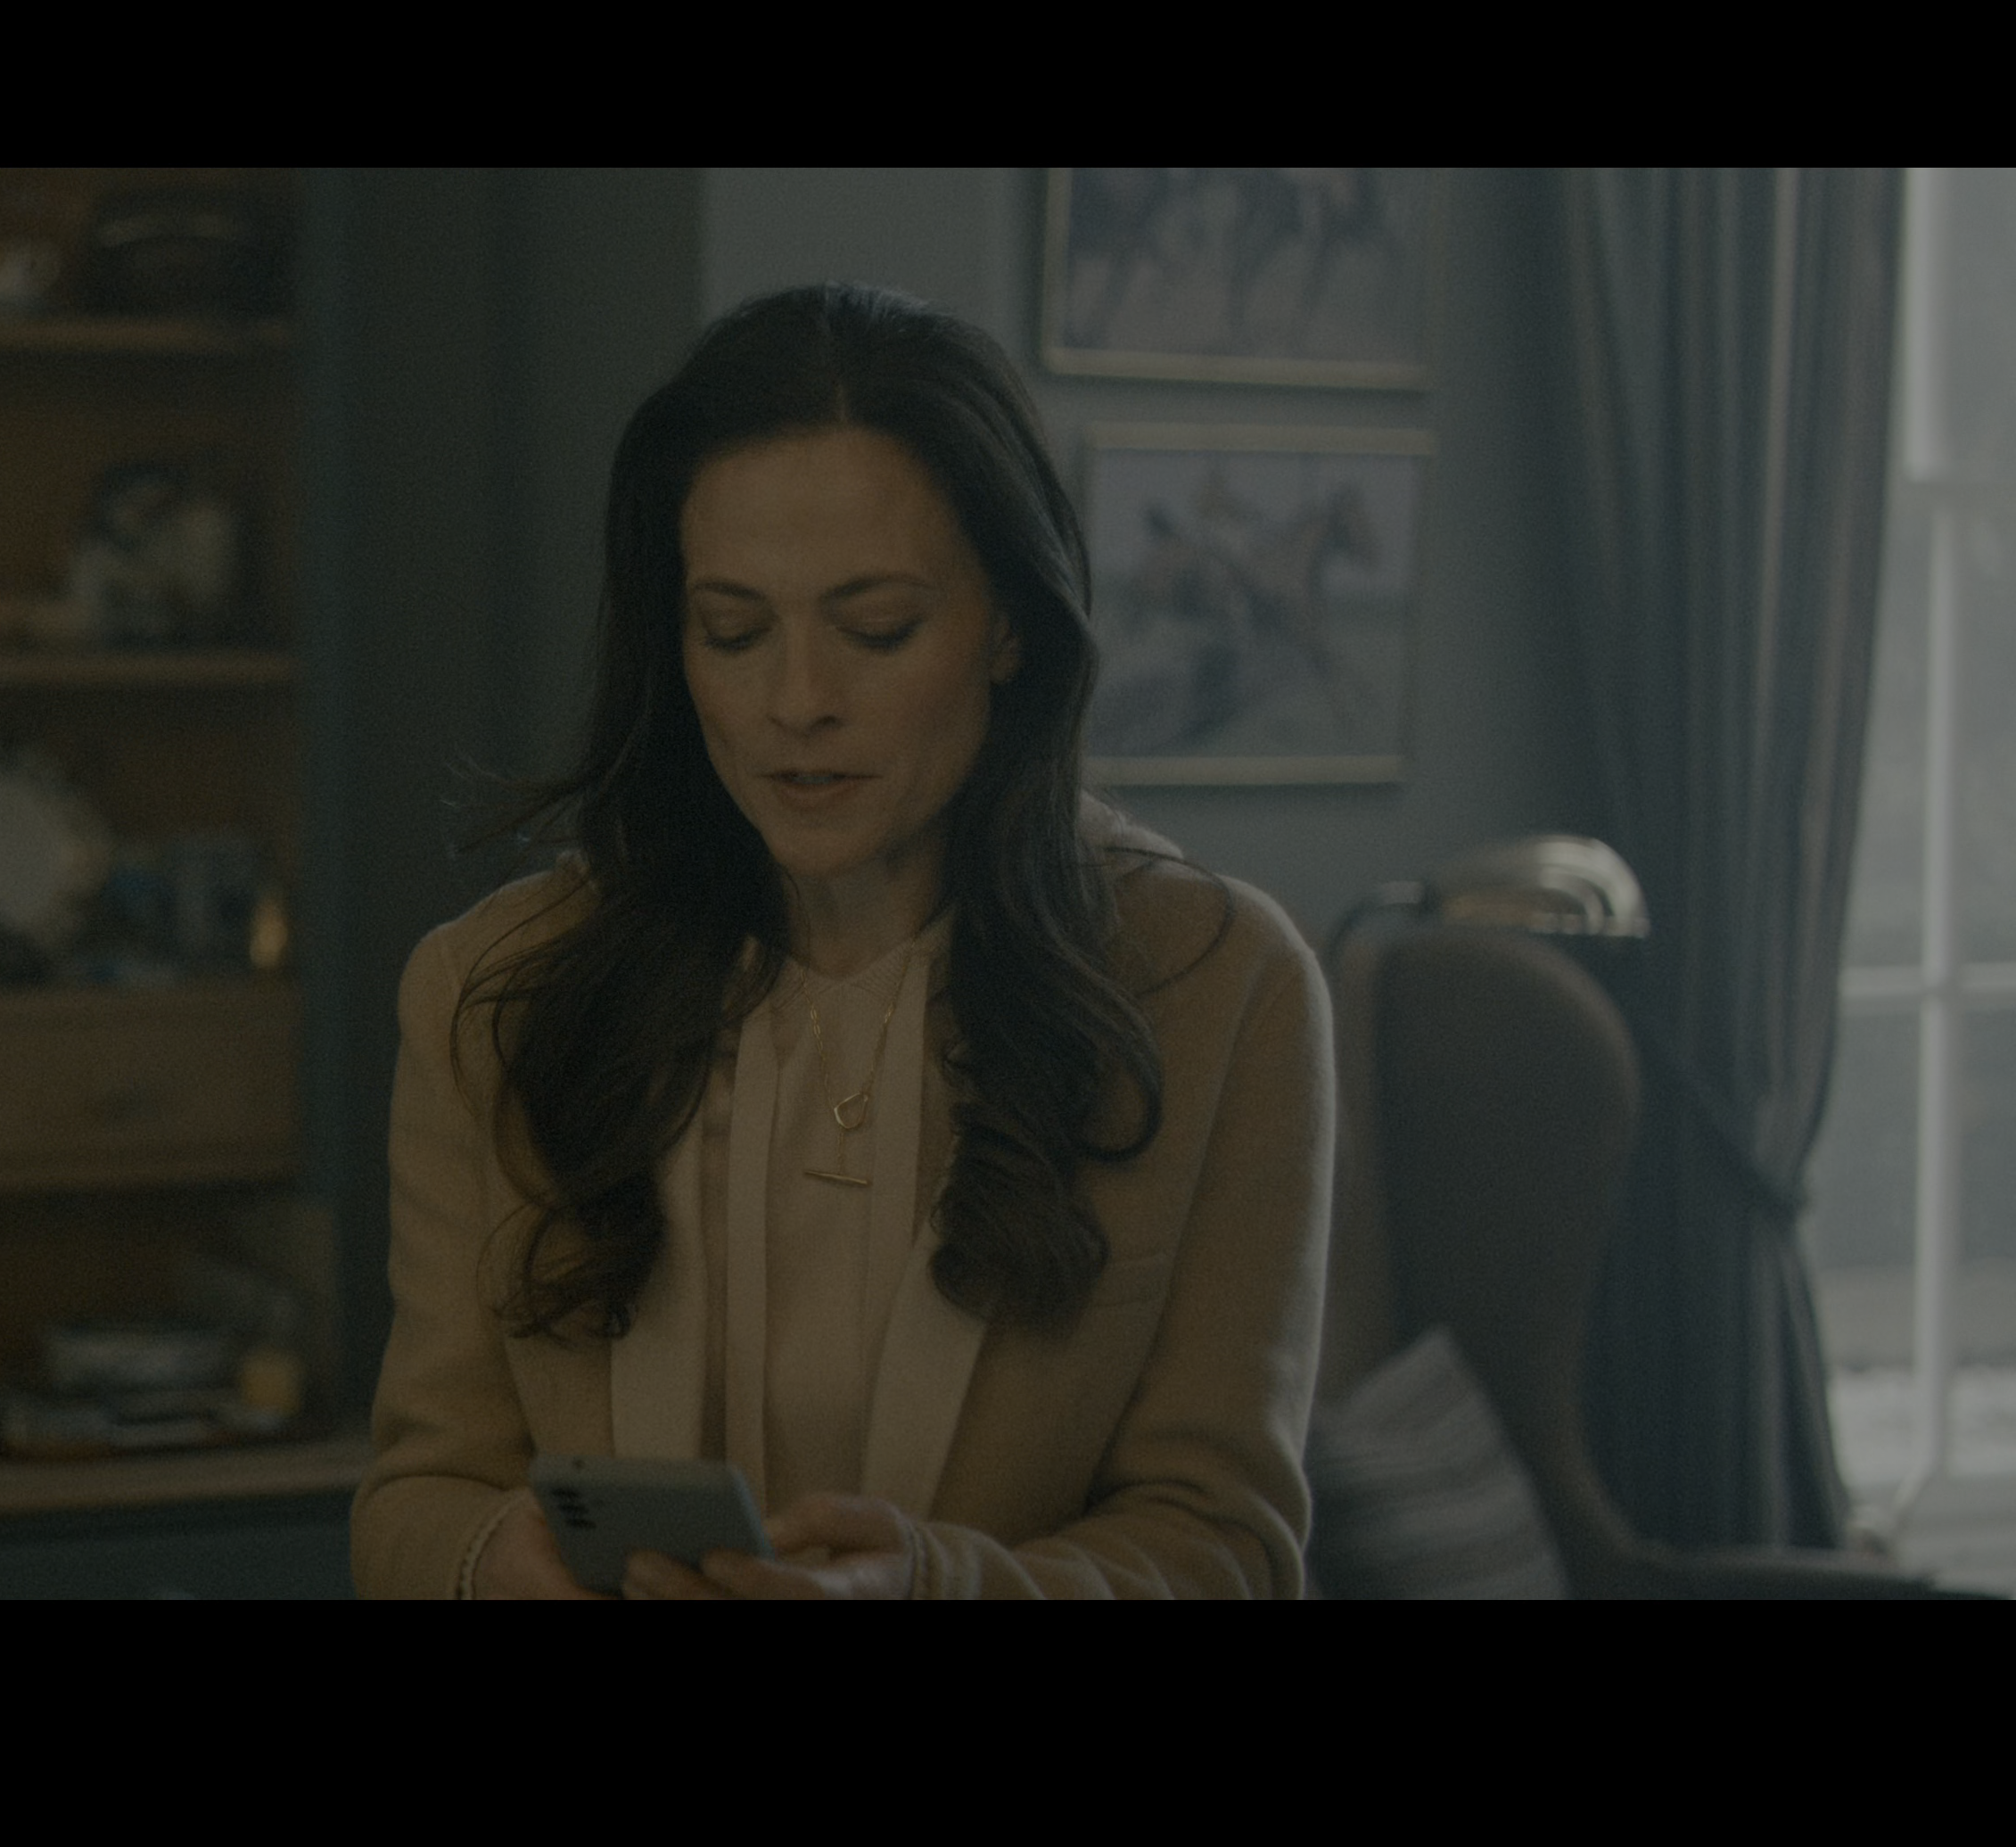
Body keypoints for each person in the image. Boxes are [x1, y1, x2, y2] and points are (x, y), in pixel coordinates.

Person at [351, 284, 1333, 1599]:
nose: (797, 701)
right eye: (734, 631)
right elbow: (416, 1494)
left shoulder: (1224, 989)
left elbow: (1228, 1544)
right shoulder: (495, 990)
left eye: (877, 630)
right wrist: (491, 1563)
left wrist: (938, 1588)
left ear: (1010, 624)